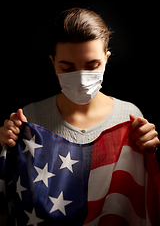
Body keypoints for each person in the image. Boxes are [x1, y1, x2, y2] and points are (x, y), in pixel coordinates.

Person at [0, 8, 159, 153]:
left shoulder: (128, 117)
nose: (82, 80)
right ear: (53, 63)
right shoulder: (31, 119)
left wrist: (148, 152)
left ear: (106, 59)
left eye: (92, 66)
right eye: (68, 69)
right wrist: (8, 145)